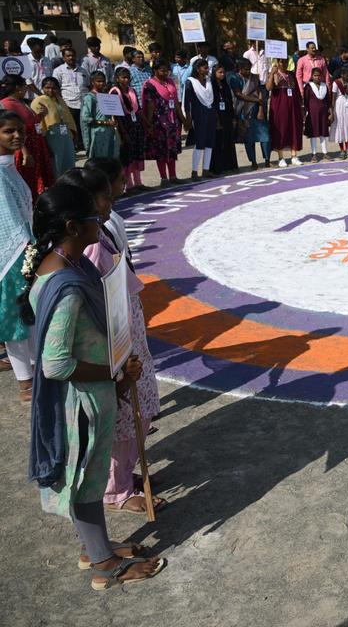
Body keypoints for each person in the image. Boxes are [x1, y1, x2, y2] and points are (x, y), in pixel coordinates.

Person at [20, 182, 166, 589]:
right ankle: (104, 567)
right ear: (71, 226)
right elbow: (56, 361)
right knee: (85, 477)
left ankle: (95, 546)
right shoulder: (65, 287)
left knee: (91, 473)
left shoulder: (62, 263)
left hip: (94, 391)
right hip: (83, 400)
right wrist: (112, 373)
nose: (99, 220)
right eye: (91, 217)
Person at [61, 161, 164, 515]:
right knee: (125, 416)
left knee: (139, 409)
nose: (110, 202)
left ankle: (123, 475)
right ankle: (116, 489)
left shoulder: (100, 232)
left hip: (128, 334)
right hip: (116, 344)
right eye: (103, 197)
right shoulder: (88, 247)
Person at [0, 108, 33, 401]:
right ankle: (25, 382)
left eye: (19, 131)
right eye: (8, 131)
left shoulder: (9, 166)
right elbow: (6, 220)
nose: (16, 135)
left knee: (30, 314)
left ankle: (36, 373)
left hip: (25, 248)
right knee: (15, 318)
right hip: (10, 255)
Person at [1, 75, 54, 197]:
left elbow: (31, 123)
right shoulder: (6, 104)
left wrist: (41, 115)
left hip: (35, 145)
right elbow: (15, 130)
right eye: (25, 86)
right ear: (18, 88)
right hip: (24, 146)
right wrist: (25, 152)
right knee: (27, 179)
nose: (26, 89)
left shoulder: (21, 102)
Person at [141, 62, 184, 185]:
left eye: (167, 71)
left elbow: (175, 101)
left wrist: (182, 118)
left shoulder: (170, 82)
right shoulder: (149, 85)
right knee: (161, 150)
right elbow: (150, 104)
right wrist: (149, 124)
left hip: (172, 120)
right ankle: (164, 178)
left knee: (172, 148)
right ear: (155, 70)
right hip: (158, 121)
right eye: (162, 70)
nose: (165, 73)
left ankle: (173, 176)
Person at [31, 77, 78, 178]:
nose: (50, 90)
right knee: (56, 163)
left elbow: (68, 117)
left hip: (65, 135)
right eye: (47, 87)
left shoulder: (59, 99)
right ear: (42, 88)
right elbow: (37, 124)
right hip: (51, 136)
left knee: (68, 160)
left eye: (54, 88)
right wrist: (43, 143)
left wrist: (73, 134)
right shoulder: (38, 101)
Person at [109, 68, 146, 191]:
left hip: (135, 124)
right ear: (117, 78)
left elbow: (138, 108)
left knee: (136, 153)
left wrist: (146, 124)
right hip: (123, 125)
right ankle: (128, 185)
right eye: (123, 77)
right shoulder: (115, 92)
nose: (125, 80)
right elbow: (116, 114)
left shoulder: (132, 90)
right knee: (127, 156)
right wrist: (123, 131)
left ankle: (138, 182)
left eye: (127, 77)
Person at [233, 58, 269, 170]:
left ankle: (267, 160)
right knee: (249, 139)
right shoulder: (234, 78)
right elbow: (238, 94)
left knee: (265, 136)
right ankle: (253, 162)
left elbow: (259, 93)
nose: (248, 71)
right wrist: (255, 100)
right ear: (240, 69)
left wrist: (260, 108)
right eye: (245, 69)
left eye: (249, 69)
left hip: (256, 110)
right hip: (243, 111)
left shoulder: (254, 77)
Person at [184, 60, 216, 180]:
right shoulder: (190, 82)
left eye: (207, 67)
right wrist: (188, 117)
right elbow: (187, 102)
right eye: (204, 68)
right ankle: (194, 171)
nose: (207, 70)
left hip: (210, 113)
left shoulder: (208, 81)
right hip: (198, 115)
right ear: (197, 69)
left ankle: (206, 170)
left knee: (210, 142)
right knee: (200, 142)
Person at [267, 59, 303, 167]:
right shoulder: (274, 73)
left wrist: (300, 105)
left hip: (293, 106)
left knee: (294, 128)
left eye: (286, 62)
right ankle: (281, 157)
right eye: (281, 62)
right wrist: (272, 74)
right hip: (279, 105)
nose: (284, 64)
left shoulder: (291, 74)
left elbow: (296, 90)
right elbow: (268, 87)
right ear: (277, 63)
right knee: (281, 129)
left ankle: (294, 156)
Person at [52, 46, 88, 147]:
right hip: (68, 103)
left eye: (73, 55)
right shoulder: (58, 71)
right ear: (64, 58)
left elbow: (88, 85)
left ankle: (83, 144)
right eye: (68, 56)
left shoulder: (82, 70)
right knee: (72, 126)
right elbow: (56, 87)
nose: (71, 58)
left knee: (83, 125)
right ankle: (73, 145)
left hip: (83, 103)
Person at [81, 72, 119, 162]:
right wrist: (105, 122)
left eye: (103, 81)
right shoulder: (89, 98)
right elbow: (86, 118)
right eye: (98, 81)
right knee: (98, 160)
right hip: (98, 132)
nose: (101, 83)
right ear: (92, 82)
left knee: (110, 159)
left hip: (110, 132)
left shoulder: (106, 97)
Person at [303, 67, 332, 162]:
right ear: (312, 76)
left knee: (323, 133)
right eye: (315, 75)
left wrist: (330, 112)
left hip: (323, 114)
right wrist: (306, 113)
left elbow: (328, 101)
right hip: (313, 114)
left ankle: (325, 153)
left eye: (319, 75)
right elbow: (306, 101)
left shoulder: (325, 86)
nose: (317, 77)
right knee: (314, 134)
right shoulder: (308, 86)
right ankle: (314, 154)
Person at [331, 75, 348, 159]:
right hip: (339, 105)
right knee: (340, 127)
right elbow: (333, 97)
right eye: (346, 74)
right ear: (342, 74)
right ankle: (342, 150)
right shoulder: (336, 83)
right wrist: (332, 110)